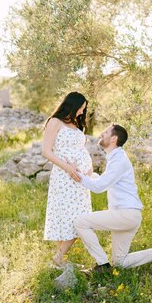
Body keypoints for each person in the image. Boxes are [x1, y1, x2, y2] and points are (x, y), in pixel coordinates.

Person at [69, 123, 152, 274]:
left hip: (125, 214)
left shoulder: (118, 161)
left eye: (105, 132)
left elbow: (99, 187)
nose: (101, 134)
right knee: (120, 262)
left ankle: (102, 265)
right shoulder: (116, 158)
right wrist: (86, 176)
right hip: (129, 216)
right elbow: (104, 182)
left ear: (113, 138)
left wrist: (76, 174)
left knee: (80, 222)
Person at [42, 92, 93, 267]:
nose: (81, 113)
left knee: (80, 219)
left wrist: (89, 167)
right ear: (72, 105)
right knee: (66, 218)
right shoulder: (55, 122)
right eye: (80, 108)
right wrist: (68, 168)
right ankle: (58, 258)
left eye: (83, 110)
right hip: (64, 177)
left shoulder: (76, 125)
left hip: (80, 179)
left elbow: (81, 150)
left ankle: (59, 260)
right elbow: (47, 151)